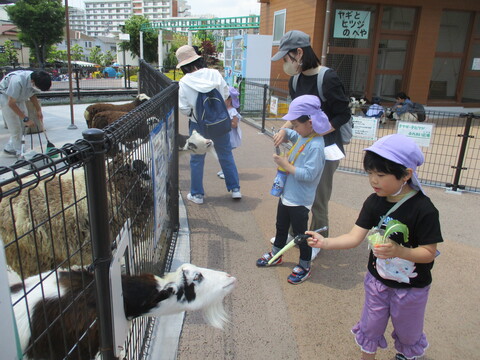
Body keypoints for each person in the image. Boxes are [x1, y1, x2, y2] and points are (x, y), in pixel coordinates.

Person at [306, 134, 443, 360]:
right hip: (377, 282)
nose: (373, 180)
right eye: (370, 173)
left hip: (411, 287)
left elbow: (428, 254)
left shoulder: (424, 210)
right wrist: (325, 242)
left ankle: (408, 355)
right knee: (370, 327)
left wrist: (401, 252)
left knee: (408, 333)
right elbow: (354, 236)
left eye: (380, 174)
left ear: (406, 174)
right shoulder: (374, 201)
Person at [270, 30, 351, 259]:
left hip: (325, 147)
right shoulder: (295, 79)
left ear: (299, 52)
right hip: (302, 145)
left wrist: (318, 132)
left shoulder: (328, 78)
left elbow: (342, 114)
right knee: (292, 189)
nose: (285, 64)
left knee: (318, 197)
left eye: (286, 58)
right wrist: (287, 128)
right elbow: (296, 112)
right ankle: (295, 235)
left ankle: (317, 240)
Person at [256, 95, 332, 284]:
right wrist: (284, 132)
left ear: (311, 123)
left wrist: (286, 165)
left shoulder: (315, 146)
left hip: (300, 199)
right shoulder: (304, 136)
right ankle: (276, 253)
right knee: (281, 227)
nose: (294, 128)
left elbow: (309, 175)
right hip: (287, 195)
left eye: (296, 124)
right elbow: (293, 136)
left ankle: (305, 265)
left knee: (301, 235)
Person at [175, 45, 241, 204]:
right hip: (219, 121)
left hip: (198, 125)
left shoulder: (184, 82)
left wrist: (195, 115)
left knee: (197, 158)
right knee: (225, 154)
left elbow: (183, 108)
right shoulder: (214, 74)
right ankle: (235, 189)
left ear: (183, 66)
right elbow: (226, 94)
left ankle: (197, 195)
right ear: (197, 58)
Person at [0, 70, 52, 156]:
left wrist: (38, 110)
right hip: (5, 97)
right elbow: (11, 103)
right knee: (15, 127)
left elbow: (32, 95)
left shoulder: (36, 79)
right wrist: (25, 118)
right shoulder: (17, 81)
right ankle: (19, 153)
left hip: (19, 97)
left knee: (24, 125)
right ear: (32, 81)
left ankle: (10, 147)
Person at [217, 86, 242, 179]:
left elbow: (235, 124)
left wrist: (225, 121)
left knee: (227, 154)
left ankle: (228, 172)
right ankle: (224, 169)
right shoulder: (224, 109)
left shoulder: (232, 111)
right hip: (223, 134)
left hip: (230, 136)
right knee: (222, 153)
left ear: (230, 99)